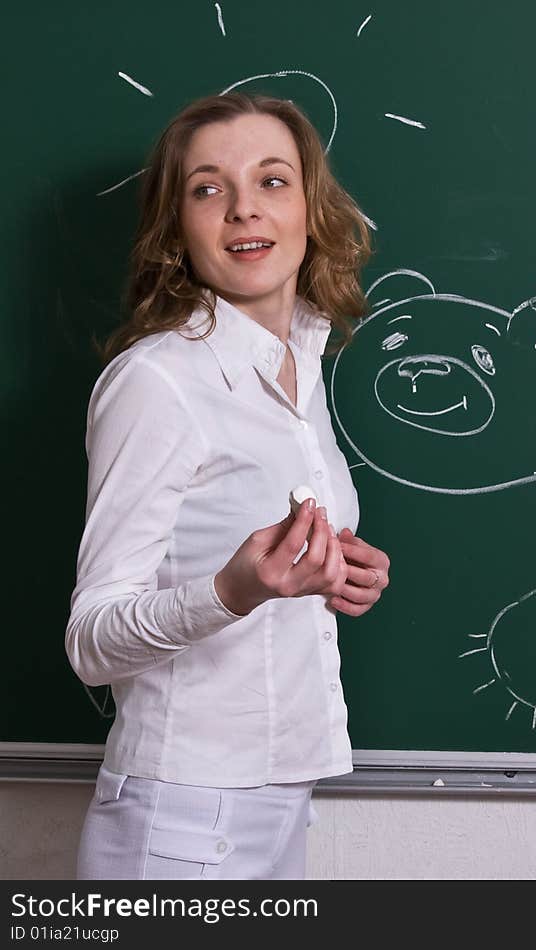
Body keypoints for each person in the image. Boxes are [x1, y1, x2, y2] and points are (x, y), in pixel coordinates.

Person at [66, 92, 390, 880]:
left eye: (273, 181)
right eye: (209, 189)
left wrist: (335, 571)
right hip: (182, 817)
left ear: (311, 207)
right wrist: (232, 591)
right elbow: (91, 641)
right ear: (177, 229)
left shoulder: (302, 365)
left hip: (279, 797)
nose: (245, 209)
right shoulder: (158, 381)